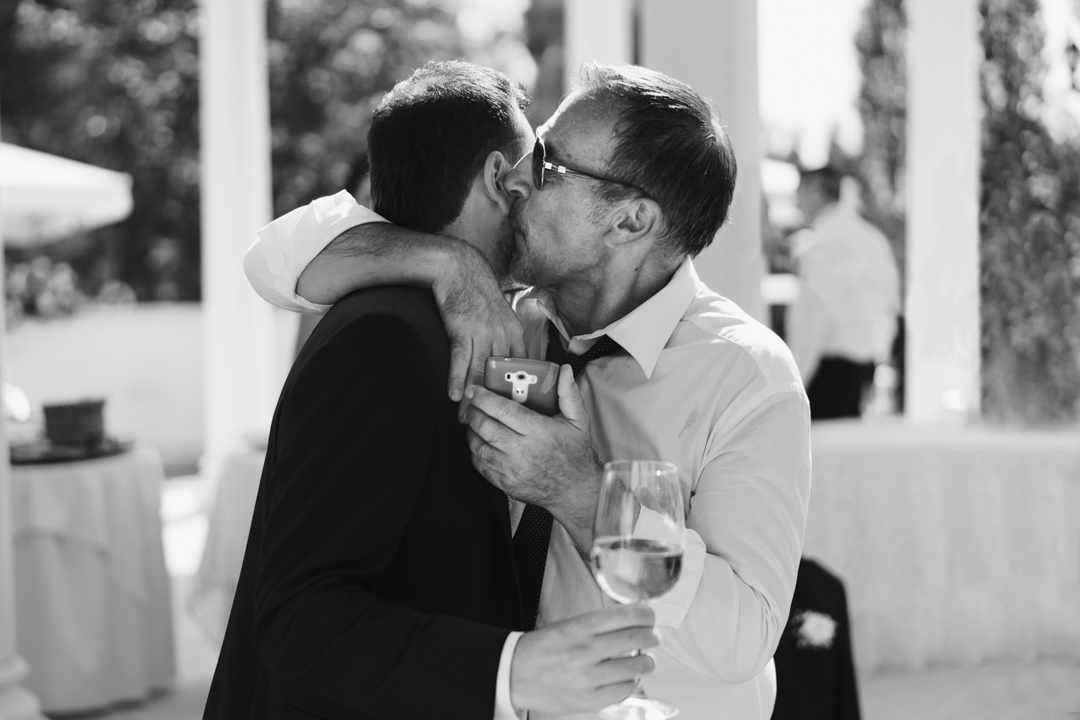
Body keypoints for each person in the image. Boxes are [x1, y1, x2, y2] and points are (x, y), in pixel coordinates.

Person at [247, 62, 812, 720]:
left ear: (629, 221)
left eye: (546, 165)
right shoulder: (492, 311)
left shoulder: (746, 376)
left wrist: (582, 494)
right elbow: (272, 258)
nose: (516, 176)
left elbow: (743, 641)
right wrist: (444, 259)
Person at [204, 61, 659, 720]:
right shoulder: (385, 338)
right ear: (500, 180)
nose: (544, 193)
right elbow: (299, 617)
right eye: (540, 172)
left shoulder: (444, 313)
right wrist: (511, 671)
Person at [785, 165, 901, 420]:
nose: (797, 200)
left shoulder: (825, 243)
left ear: (816, 191)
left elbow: (813, 318)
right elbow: (889, 303)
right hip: (864, 361)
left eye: (800, 191)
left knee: (820, 453)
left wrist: (794, 379)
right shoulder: (871, 238)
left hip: (828, 366)